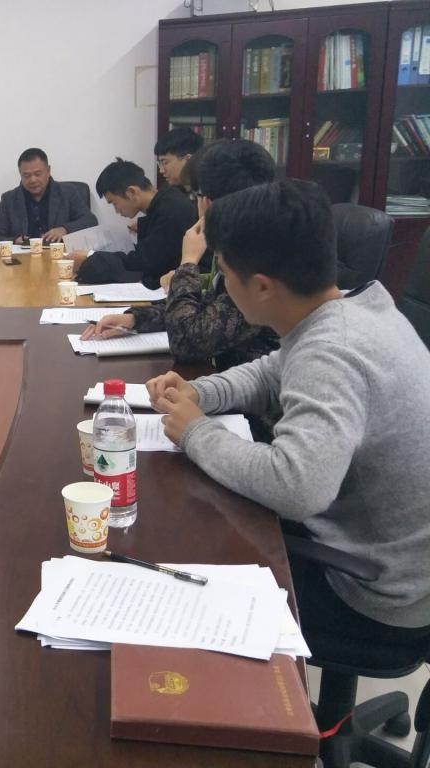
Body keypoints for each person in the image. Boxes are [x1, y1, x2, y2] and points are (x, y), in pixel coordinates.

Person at [148, 179, 430, 678]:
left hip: (376, 594)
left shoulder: (333, 352)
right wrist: (200, 393)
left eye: (225, 274)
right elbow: (271, 371)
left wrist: (196, 433)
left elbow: (298, 487)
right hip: (389, 556)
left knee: (180, 570)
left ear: (261, 286)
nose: (223, 286)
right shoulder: (352, 309)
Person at [82, 140, 279, 372]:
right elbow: (207, 307)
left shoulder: (255, 260)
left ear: (209, 201)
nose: (194, 204)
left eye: (195, 195)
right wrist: (135, 319)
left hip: (247, 387)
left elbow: (187, 342)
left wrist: (188, 262)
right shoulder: (245, 241)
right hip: (227, 379)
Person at [78, 158, 196, 288]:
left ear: (131, 192)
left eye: (114, 203)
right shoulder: (165, 202)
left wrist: (90, 256)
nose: (116, 211)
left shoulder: (172, 210)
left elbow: (144, 261)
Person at [0, 148, 96, 246]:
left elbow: (90, 221)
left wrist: (64, 229)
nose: (33, 180)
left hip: (59, 255)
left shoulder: (68, 192)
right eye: (26, 176)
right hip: (24, 257)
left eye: (38, 174)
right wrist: (15, 240)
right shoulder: (9, 199)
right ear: (20, 174)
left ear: (48, 171)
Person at [154, 126, 204, 191]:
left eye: (165, 162)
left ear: (188, 159)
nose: (161, 171)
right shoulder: (174, 191)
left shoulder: (209, 192)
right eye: (160, 163)